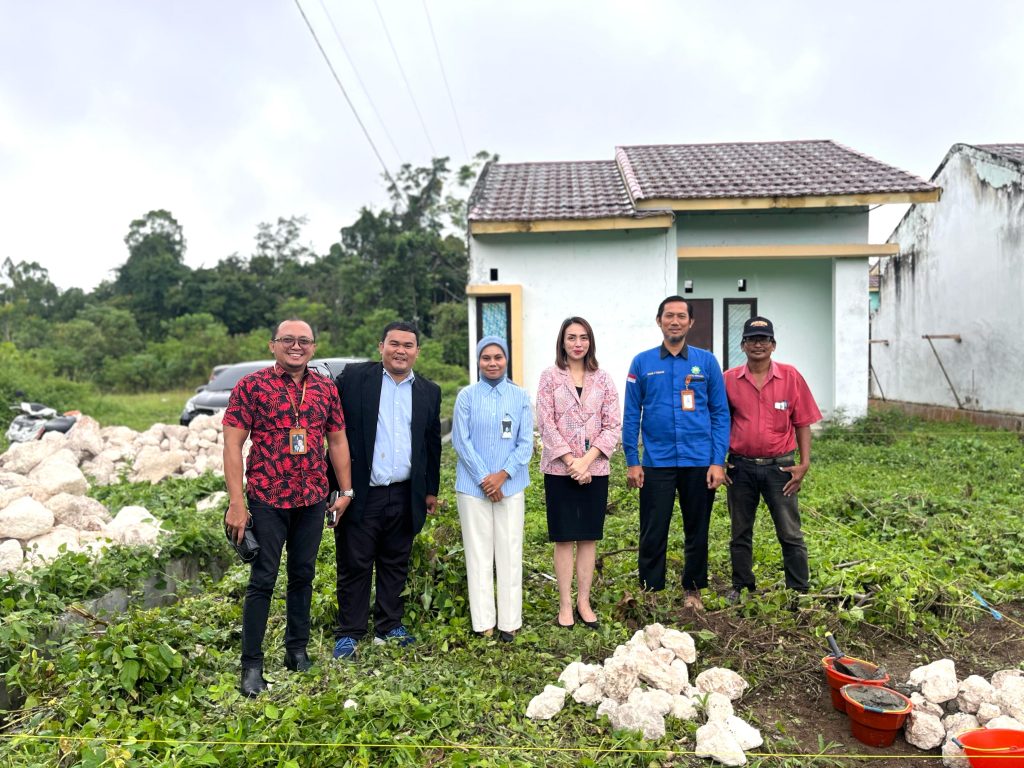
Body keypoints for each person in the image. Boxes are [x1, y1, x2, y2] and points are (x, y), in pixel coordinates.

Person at [223, 319, 353, 697]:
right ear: (273, 345)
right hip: (267, 498)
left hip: (312, 497)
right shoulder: (252, 386)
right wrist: (236, 502)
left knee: (302, 576)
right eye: (288, 340)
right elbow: (232, 444)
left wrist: (346, 491)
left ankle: (296, 652)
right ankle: (251, 666)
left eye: (304, 341)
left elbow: (337, 440)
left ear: (313, 347)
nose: (296, 347)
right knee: (263, 580)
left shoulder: (325, 388)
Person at [328, 321, 441, 660]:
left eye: (408, 345)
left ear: (417, 352)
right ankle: (350, 632)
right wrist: (337, 487)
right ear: (381, 347)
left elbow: (431, 443)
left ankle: (389, 626)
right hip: (362, 491)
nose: (400, 351)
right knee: (354, 561)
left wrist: (430, 490)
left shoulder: (428, 391)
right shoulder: (354, 379)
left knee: (396, 561)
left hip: (405, 492)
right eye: (394, 344)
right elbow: (331, 428)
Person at [622, 296, 730, 612]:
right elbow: (631, 414)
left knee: (697, 528)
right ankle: (651, 589)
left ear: (690, 322)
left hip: (699, 460)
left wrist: (717, 461)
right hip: (657, 461)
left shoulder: (706, 362)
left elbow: (720, 413)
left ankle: (693, 590)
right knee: (653, 528)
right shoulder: (642, 363)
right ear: (659, 321)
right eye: (669, 315)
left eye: (681, 316)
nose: (675, 321)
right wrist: (632, 460)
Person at [723, 316, 822, 601]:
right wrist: (717, 461)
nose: (758, 344)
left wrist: (804, 464)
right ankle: (742, 586)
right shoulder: (729, 379)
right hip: (740, 467)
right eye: (752, 340)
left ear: (773, 345)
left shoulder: (791, 377)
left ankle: (798, 590)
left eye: (764, 339)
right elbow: (718, 422)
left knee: (790, 531)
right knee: (740, 531)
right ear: (743, 345)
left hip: (781, 468)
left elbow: (803, 422)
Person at [536, 317, 620, 630]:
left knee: (588, 537)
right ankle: (565, 604)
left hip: (595, 469)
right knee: (564, 538)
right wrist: (572, 462)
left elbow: (613, 424)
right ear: (562, 341)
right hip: (560, 470)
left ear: (590, 342)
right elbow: (545, 422)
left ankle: (584, 601)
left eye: (583, 337)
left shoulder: (604, 379)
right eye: (571, 337)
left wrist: (587, 461)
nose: (577, 343)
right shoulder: (549, 377)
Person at [452, 336, 533, 642]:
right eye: (486, 357)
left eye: (498, 357)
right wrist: (485, 479)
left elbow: (525, 443)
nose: (492, 363)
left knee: (510, 552)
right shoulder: (467, 396)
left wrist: (502, 476)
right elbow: (461, 441)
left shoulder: (520, 396)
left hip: (510, 486)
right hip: (473, 489)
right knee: (479, 554)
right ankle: (484, 621)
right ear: (478, 361)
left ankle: (509, 622)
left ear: (506, 359)